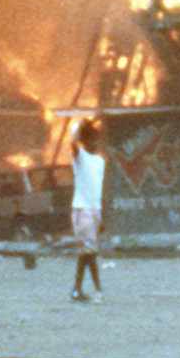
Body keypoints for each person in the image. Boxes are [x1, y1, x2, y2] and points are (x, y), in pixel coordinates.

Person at [68, 121, 106, 302]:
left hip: (94, 210)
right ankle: (97, 289)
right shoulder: (80, 157)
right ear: (85, 141)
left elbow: (98, 189)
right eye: (92, 140)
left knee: (87, 253)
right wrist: (78, 127)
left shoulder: (100, 161)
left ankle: (77, 290)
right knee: (89, 252)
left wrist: (101, 215)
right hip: (82, 210)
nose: (96, 143)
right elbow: (73, 144)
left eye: (97, 140)